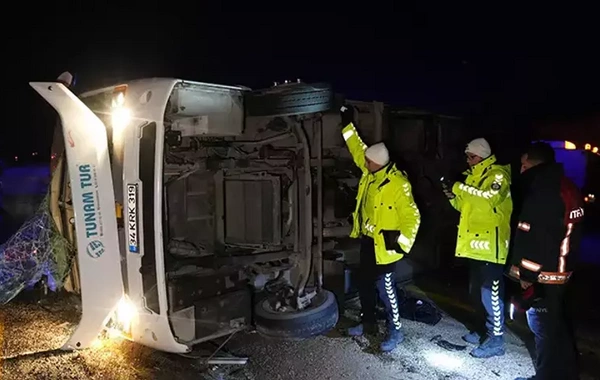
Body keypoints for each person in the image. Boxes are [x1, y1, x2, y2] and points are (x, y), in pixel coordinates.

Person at [340, 105, 421, 352]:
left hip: (386, 246)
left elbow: (412, 216)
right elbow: (357, 148)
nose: (363, 162)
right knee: (365, 285)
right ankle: (368, 325)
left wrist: (401, 244)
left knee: (385, 289)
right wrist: (346, 123)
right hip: (368, 240)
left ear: (377, 163)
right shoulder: (372, 170)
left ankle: (395, 331)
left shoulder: (398, 184)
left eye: (368, 161)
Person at [510, 142, 583, 380]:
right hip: (561, 269)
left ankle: (545, 376)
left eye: (524, 164)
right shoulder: (566, 185)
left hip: (544, 275)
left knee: (543, 329)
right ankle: (566, 373)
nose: (521, 170)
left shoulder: (543, 190)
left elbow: (537, 237)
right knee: (557, 328)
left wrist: (527, 276)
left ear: (534, 163)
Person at [442, 138, 513, 358]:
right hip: (475, 246)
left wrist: (458, 186)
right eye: (467, 156)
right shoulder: (473, 176)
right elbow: (466, 207)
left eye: (471, 156)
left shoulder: (497, 175)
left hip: (491, 248)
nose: (468, 160)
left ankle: (497, 340)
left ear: (482, 156)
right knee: (476, 293)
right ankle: (482, 330)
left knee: (490, 294)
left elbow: (487, 200)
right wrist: (453, 196)